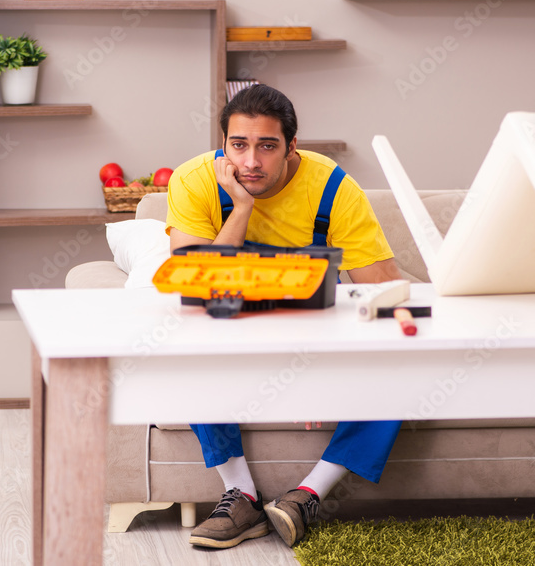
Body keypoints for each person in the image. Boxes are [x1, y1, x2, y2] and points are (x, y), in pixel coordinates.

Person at [165, 84, 404, 550]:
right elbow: (195, 286)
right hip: (228, 339)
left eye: (267, 146)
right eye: (238, 145)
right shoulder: (194, 180)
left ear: (292, 146)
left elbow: (382, 291)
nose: (251, 161)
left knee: (406, 357)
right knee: (181, 343)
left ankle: (306, 496)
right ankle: (241, 496)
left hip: (314, 338)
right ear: (223, 143)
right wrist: (242, 207)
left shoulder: (333, 187)